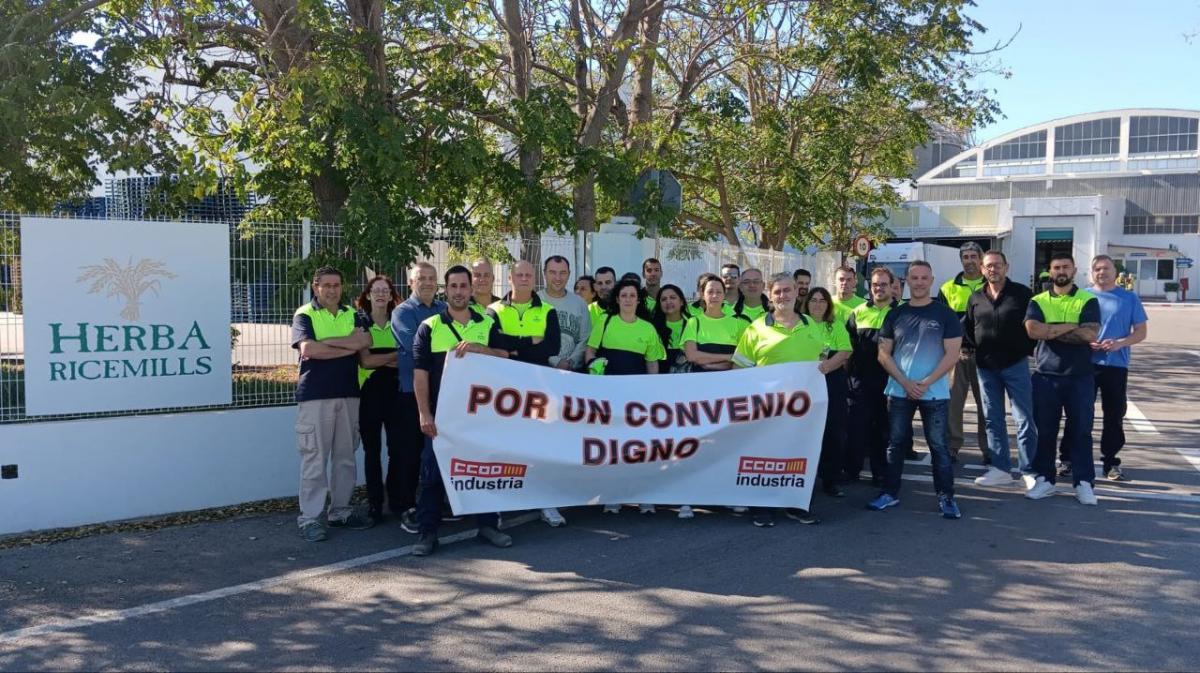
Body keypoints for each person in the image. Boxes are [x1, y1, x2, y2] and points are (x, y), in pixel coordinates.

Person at [411, 265, 515, 556]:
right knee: (432, 474)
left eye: (463, 286)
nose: (458, 292)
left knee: (484, 471)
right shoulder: (429, 327)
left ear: (471, 290)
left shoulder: (487, 322)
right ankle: (427, 533)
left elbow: (506, 358)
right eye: (453, 286)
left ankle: (488, 525)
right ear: (447, 290)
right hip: (441, 416)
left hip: (480, 416)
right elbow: (420, 375)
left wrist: (483, 349)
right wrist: (424, 413)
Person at [869, 260, 964, 520]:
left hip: (934, 393)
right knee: (896, 444)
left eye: (924, 278)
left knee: (939, 447)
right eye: (915, 278)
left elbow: (953, 354)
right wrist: (905, 382)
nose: (920, 282)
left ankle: (946, 497)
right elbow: (883, 354)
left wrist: (927, 381)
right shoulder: (895, 314)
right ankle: (889, 493)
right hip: (899, 391)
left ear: (931, 281)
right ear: (906, 282)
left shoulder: (945, 314)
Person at [732, 273, 828, 527]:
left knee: (801, 455)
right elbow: (739, 368)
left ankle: (797, 504)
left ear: (797, 292)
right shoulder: (756, 328)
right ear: (770, 294)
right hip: (766, 408)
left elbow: (822, 361)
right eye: (777, 292)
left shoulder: (813, 326)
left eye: (787, 290)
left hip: (804, 409)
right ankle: (761, 507)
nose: (783, 296)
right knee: (763, 456)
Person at [290, 266, 375, 542]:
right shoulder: (305, 314)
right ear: (315, 287)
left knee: (345, 458)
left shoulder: (353, 313)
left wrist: (331, 344)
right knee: (315, 459)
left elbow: (366, 342)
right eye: (325, 285)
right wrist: (347, 344)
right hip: (315, 396)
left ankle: (340, 512)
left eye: (336, 285)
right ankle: (310, 519)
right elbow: (309, 349)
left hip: (349, 394)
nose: (331, 290)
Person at [1023, 252, 1102, 505]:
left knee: (1081, 431)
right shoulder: (1038, 300)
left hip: (1080, 377)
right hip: (1046, 376)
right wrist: (1070, 326)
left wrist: (1051, 330)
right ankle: (1045, 480)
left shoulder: (1087, 299)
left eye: (1066, 267)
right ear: (1049, 271)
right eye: (1056, 267)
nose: (1061, 271)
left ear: (1074, 270)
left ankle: (1083, 483)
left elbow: (1089, 334)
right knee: (1045, 431)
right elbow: (1033, 330)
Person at [588, 278, 664, 515]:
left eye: (632, 295)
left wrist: (652, 396)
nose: (628, 299)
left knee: (640, 448)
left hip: (637, 397)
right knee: (612, 447)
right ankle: (613, 495)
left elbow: (652, 365)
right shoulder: (605, 321)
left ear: (638, 299)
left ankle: (644, 495)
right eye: (624, 295)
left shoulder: (648, 328)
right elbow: (591, 351)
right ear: (617, 299)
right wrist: (592, 365)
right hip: (608, 395)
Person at [963, 251, 1037, 488]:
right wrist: (969, 349)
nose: (993, 269)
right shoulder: (975, 298)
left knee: (1024, 418)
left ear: (1006, 267)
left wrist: (1028, 349)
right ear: (982, 270)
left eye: (997, 265)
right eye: (988, 266)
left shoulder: (1023, 294)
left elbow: (1034, 325)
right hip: (986, 367)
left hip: (1015, 365)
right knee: (993, 419)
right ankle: (1000, 469)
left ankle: (1029, 470)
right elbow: (968, 327)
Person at [390, 262, 446, 529]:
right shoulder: (403, 312)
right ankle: (406, 508)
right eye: (420, 278)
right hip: (409, 393)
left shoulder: (443, 309)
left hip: (441, 393)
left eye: (431, 278)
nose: (426, 282)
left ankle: (433, 505)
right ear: (411, 283)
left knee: (434, 452)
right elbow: (417, 347)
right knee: (409, 453)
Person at [1086, 254, 1148, 481]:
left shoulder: (1129, 298)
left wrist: (1119, 343)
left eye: (1106, 268)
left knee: (1114, 416)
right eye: (1097, 269)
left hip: (1116, 365)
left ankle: (1110, 462)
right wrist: (1085, 340)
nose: (1102, 272)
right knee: (1081, 414)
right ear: (1092, 273)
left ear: (1115, 272)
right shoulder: (1083, 296)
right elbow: (1071, 328)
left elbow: (1141, 332)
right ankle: (1070, 459)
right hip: (1086, 365)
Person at [355, 275, 406, 524]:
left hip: (395, 391)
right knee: (371, 450)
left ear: (391, 295)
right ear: (367, 295)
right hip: (370, 392)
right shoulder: (360, 322)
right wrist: (392, 357)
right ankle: (375, 504)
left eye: (385, 290)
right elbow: (365, 361)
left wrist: (381, 358)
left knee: (397, 449)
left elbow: (405, 357)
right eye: (375, 290)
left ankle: (396, 501)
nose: (380, 295)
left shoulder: (399, 321)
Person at [938, 241, 989, 466]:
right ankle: (952, 447)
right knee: (953, 405)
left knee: (986, 405)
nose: (969, 261)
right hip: (955, 355)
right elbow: (941, 324)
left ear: (981, 259)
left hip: (985, 356)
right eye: (965, 257)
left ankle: (988, 449)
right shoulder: (948, 288)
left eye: (972, 257)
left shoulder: (991, 285)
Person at [846, 267, 898, 486]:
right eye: (875, 284)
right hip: (861, 379)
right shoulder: (857, 312)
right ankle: (851, 471)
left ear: (892, 286)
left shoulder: (901, 312)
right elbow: (847, 347)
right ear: (870, 286)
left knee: (883, 429)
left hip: (891, 380)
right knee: (856, 427)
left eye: (883, 284)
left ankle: (880, 473)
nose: (879, 288)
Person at [802, 287, 852, 499]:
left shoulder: (836, 325)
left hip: (832, 381)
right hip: (804, 385)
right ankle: (804, 480)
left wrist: (828, 366)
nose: (818, 304)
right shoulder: (799, 325)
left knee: (834, 431)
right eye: (813, 300)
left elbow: (846, 350)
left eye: (822, 300)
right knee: (805, 434)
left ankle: (830, 479)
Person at [487, 260, 562, 367]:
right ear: (509, 279)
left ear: (534, 280)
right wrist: (530, 340)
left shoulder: (548, 310)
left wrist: (517, 353)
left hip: (538, 375)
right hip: (503, 374)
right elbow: (495, 342)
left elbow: (553, 348)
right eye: (519, 275)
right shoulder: (494, 309)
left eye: (528, 275)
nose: (524, 278)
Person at [683, 276, 750, 372]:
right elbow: (692, 356)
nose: (714, 295)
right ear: (702, 295)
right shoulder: (694, 322)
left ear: (724, 295)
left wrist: (713, 366)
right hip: (699, 383)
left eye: (719, 292)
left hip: (731, 382)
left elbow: (744, 359)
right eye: (710, 292)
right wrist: (729, 357)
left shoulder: (738, 324)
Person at [539, 255, 591, 373]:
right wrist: (556, 361)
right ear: (545, 273)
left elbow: (585, 339)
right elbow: (532, 339)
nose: (558, 278)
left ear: (569, 274)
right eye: (552, 272)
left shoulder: (580, 303)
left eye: (563, 273)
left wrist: (571, 362)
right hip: (542, 370)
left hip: (573, 372)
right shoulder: (535, 301)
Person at [650, 284, 692, 374]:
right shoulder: (652, 327)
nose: (668, 301)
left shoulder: (693, 324)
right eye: (664, 299)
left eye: (672, 298)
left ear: (681, 302)